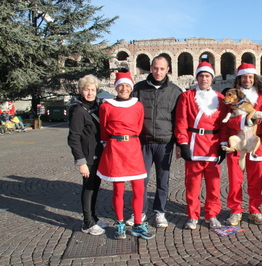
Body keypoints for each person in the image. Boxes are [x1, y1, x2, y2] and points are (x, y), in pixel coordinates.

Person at [128, 55, 184, 228]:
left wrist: (179, 144)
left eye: (162, 68)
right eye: (155, 68)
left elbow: (179, 120)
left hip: (165, 142)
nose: (158, 72)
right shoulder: (138, 89)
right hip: (143, 142)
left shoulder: (175, 92)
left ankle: (160, 211)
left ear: (168, 69)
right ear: (151, 68)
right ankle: (140, 211)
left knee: (163, 179)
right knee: (140, 180)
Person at [97, 72, 154, 240]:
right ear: (116, 87)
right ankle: (120, 223)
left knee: (139, 188)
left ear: (131, 87)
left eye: (127, 85)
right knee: (118, 190)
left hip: (133, 149)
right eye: (121, 85)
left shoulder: (138, 106)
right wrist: (112, 143)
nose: (124, 89)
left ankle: (137, 224)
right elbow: (103, 130)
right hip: (115, 149)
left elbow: (138, 127)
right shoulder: (106, 106)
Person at [174, 62, 228, 230]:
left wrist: (223, 145)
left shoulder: (220, 99)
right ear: (197, 77)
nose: (204, 79)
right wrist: (182, 144)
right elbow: (181, 122)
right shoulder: (187, 97)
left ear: (212, 78)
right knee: (192, 185)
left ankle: (211, 214)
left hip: (212, 146)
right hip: (194, 145)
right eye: (201, 76)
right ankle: (192, 215)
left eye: (207, 76)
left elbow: (224, 125)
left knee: (214, 185)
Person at [224, 63, 262, 226]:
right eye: (244, 77)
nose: (247, 80)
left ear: (254, 78)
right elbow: (226, 121)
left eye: (250, 77)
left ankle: (255, 210)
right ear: (239, 78)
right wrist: (243, 120)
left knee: (256, 181)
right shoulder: (232, 97)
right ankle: (236, 210)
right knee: (235, 181)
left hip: (256, 144)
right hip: (237, 143)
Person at [67, 74, 108, 236]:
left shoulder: (96, 106)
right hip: (87, 157)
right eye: (86, 89)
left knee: (95, 187)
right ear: (81, 90)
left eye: (92, 90)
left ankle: (93, 217)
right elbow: (73, 138)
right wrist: (81, 162)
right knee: (89, 188)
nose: (90, 93)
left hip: (97, 154)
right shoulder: (78, 110)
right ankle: (87, 222)